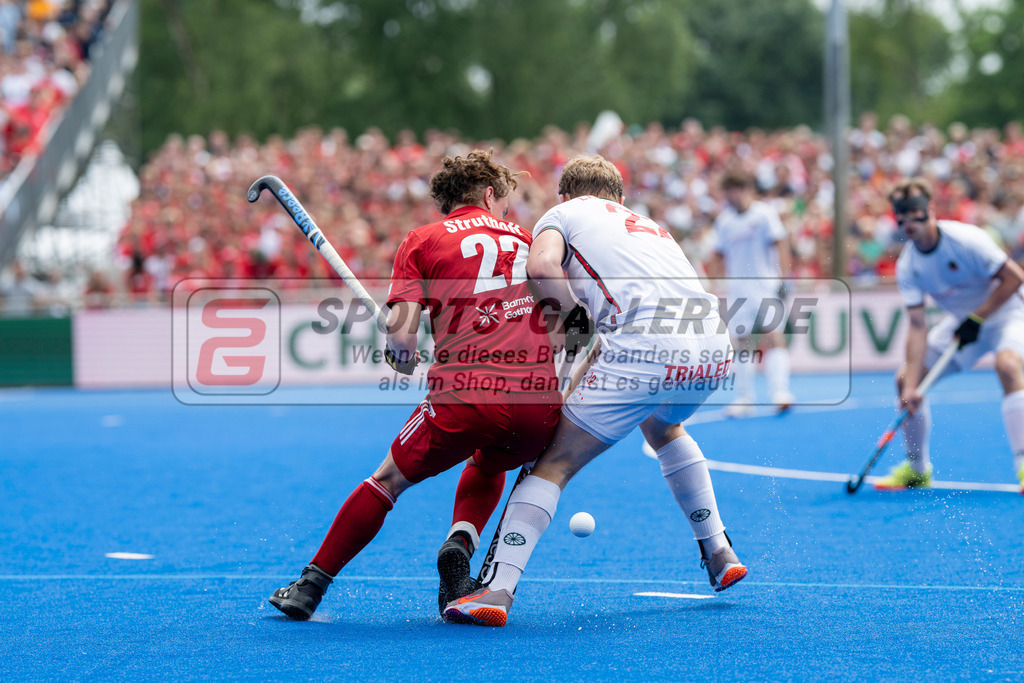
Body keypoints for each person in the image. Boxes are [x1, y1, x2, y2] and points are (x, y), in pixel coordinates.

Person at [444, 155, 746, 627]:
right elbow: (610, 344)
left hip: (645, 345)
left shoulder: (562, 216)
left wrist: (576, 321)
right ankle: (719, 549)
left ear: (565, 195)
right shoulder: (649, 226)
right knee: (664, 427)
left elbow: (541, 267)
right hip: (712, 347)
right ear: (620, 198)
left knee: (553, 464)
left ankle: (497, 590)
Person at [268, 149, 564, 620]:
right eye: (506, 199)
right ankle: (461, 544)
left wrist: (398, 353)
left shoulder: (422, 240)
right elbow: (561, 323)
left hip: (465, 395)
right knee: (490, 464)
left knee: (386, 481)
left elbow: (403, 341)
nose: (507, 209)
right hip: (537, 402)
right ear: (490, 193)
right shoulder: (530, 240)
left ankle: (310, 585)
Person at [876, 177, 1024, 490]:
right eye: (900, 214)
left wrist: (978, 317)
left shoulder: (966, 239)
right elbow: (917, 326)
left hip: (1008, 314)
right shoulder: (908, 266)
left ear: (929, 209)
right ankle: (917, 470)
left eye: (913, 210)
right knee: (905, 379)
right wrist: (912, 384)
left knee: (1008, 366)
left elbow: (1014, 279)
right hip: (963, 325)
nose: (907, 220)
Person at [707, 169, 794, 417]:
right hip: (738, 290)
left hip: (765, 285)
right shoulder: (724, 221)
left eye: (738, 189)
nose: (733, 196)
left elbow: (781, 243)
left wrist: (784, 276)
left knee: (774, 335)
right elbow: (717, 254)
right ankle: (744, 398)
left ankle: (780, 393)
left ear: (748, 190)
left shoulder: (764, 214)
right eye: (729, 191)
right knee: (742, 342)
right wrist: (713, 286)